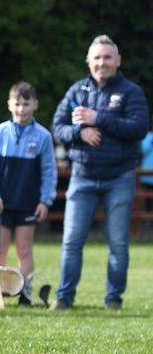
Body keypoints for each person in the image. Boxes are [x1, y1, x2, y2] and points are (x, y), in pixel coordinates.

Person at [51, 35, 149, 311]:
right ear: (88, 62)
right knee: (72, 240)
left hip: (119, 177)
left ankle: (113, 299)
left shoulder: (131, 92)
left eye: (107, 57)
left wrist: (99, 118)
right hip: (82, 176)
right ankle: (64, 298)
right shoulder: (76, 91)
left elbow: (139, 128)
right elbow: (57, 128)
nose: (102, 63)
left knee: (117, 243)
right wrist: (80, 133)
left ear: (118, 61)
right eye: (97, 58)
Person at [0, 82, 57, 306]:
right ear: (9, 104)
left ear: (35, 104)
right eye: (17, 104)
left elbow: (49, 170)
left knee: (24, 249)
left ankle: (25, 293)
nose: (21, 109)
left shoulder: (43, 136)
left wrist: (45, 200)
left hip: (27, 202)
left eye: (26, 104)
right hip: (1, 203)